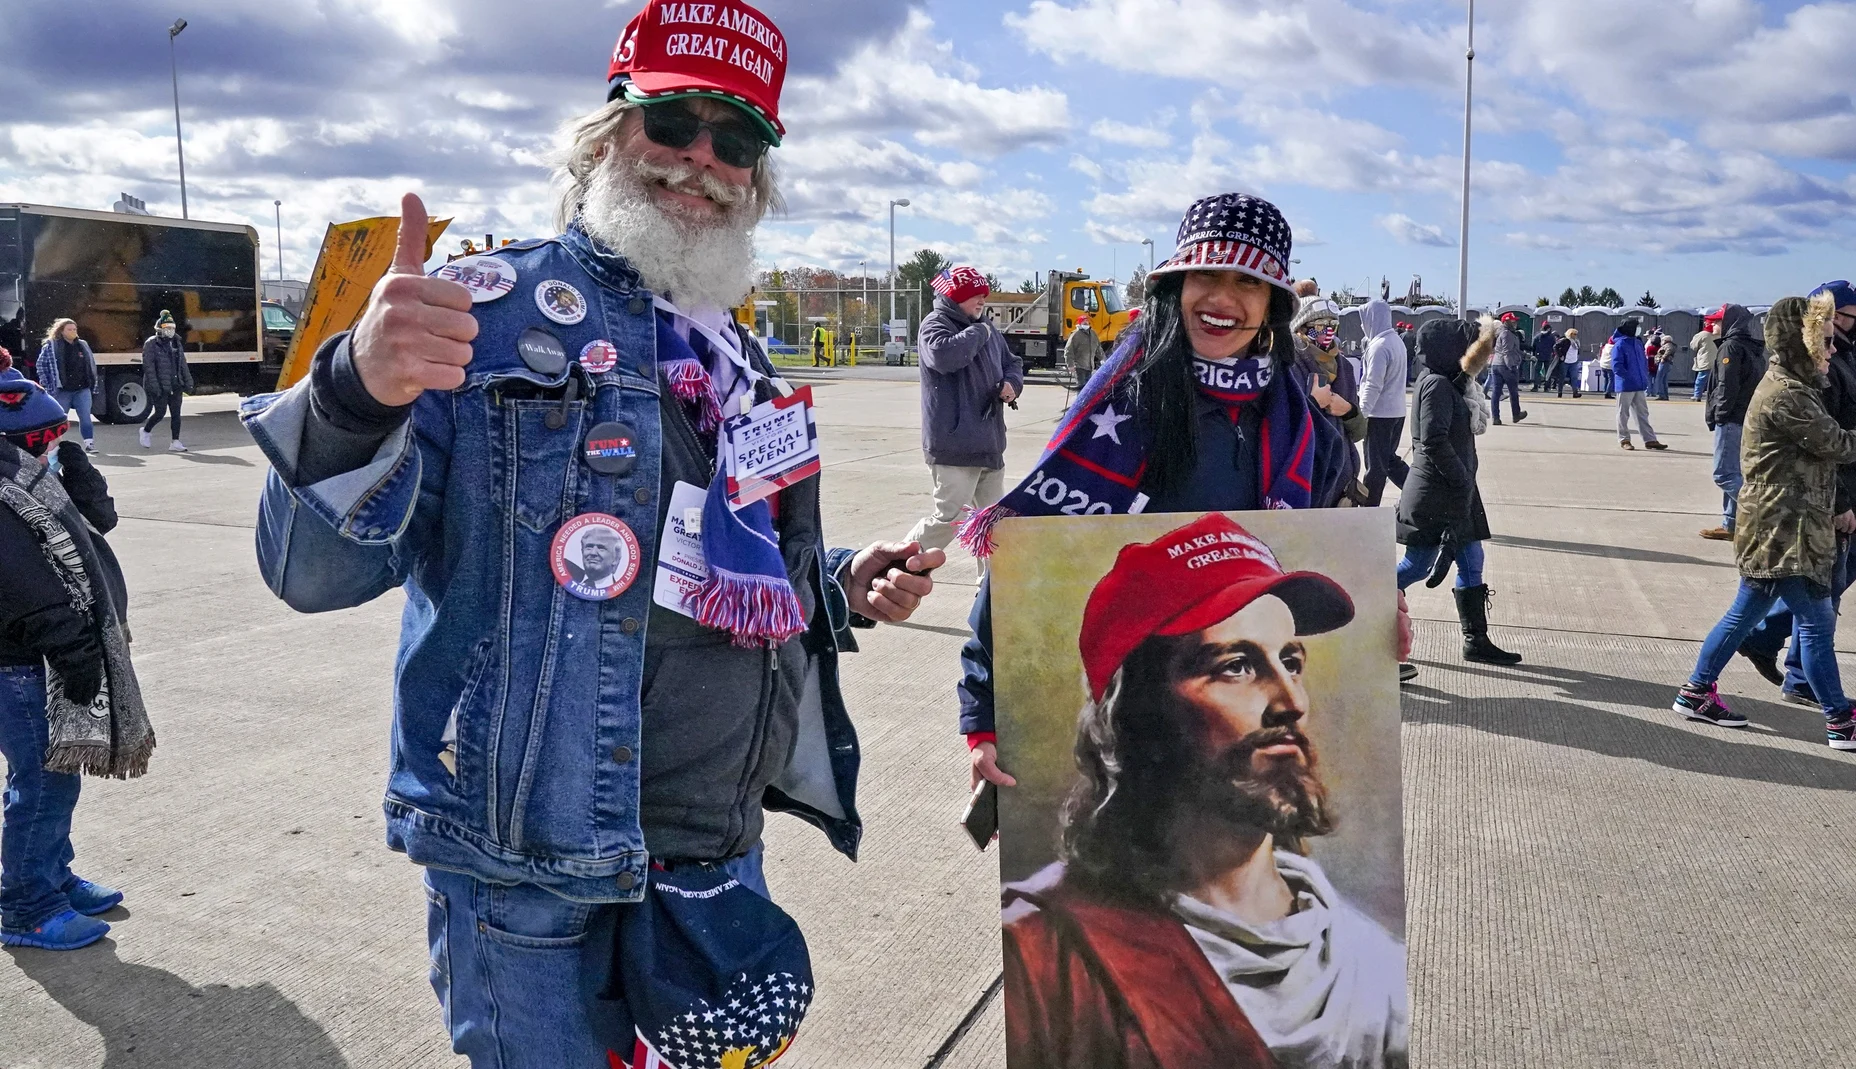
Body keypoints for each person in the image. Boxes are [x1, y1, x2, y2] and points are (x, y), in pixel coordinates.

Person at [238, 4, 946, 1062]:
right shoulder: (480, 315)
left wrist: (842, 581)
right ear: (605, 136)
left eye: (738, 140)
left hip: (711, 857)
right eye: (673, 122)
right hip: (538, 870)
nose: (703, 161)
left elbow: (712, 569)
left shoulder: (739, 362)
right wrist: (357, 388)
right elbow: (308, 571)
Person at [957, 191, 1403, 789]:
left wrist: (1380, 616)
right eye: (1205, 276)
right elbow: (1019, 566)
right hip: (1148, 745)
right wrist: (984, 718)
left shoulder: (1309, 438)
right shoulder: (1117, 413)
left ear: (1273, 304)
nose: (1223, 299)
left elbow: (1329, 549)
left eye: (1248, 284)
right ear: (1176, 287)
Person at [1002, 513, 1407, 1069]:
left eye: (1291, 662)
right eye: (1236, 666)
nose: (1291, 702)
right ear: (1137, 713)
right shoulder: (1045, 952)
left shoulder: (1372, 962)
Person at [1673, 292, 1856, 750]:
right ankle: (1840, 720)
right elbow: (1839, 445)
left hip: (1778, 525)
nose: (1833, 351)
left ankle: (1696, 691)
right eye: (1825, 344)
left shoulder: (1795, 386)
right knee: (1816, 622)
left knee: (1745, 613)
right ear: (1803, 344)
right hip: (1787, 530)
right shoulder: (1789, 393)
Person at [0, 358, 153, 950]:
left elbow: (102, 520)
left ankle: (51, 879)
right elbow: (26, 589)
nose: (51, 446)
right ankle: (26, 908)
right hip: (18, 662)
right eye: (45, 438)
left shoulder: (32, 479)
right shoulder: (6, 493)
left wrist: (76, 467)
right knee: (42, 781)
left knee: (54, 778)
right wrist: (76, 654)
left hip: (40, 658)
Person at [1735, 281, 1856, 702]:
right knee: (1820, 596)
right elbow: (1829, 446)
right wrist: (1841, 504)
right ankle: (1803, 680)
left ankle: (1763, 645)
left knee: (1825, 584)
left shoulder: (1841, 355)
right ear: (1835, 316)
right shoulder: (1814, 369)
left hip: (1846, 490)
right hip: (1824, 498)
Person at [1396, 318, 1520, 666]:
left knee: (1472, 560)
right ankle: (1366, 604)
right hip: (1437, 492)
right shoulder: (1435, 384)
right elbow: (1432, 441)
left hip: (1454, 489)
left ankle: (1475, 640)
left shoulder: (1447, 382)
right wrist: (1462, 479)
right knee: (1417, 566)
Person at [904, 266, 1024, 553]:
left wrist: (1011, 384)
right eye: (974, 296)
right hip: (954, 445)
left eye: (983, 295)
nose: (982, 301)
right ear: (955, 297)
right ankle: (895, 561)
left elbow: (1013, 362)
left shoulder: (986, 328)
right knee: (951, 518)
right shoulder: (936, 325)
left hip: (989, 443)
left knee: (995, 524)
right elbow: (944, 357)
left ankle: (992, 590)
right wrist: (979, 331)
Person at [1698, 305, 1762, 541]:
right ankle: (1731, 524)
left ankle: (1763, 514)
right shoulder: (1749, 347)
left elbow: (1727, 385)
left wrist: (1720, 414)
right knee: (1736, 472)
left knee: (1724, 474)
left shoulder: (1731, 347)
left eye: (1716, 321)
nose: (1712, 325)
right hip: (1746, 418)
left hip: (1733, 418)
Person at [1294, 297, 1366, 504]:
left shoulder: (1344, 367)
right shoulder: (1289, 364)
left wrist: (1349, 411)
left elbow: (1359, 432)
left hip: (1340, 485)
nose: (1327, 332)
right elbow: (1281, 427)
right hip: (1306, 482)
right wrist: (1313, 403)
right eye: (1319, 326)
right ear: (1301, 327)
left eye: (1332, 325)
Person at [1356, 299, 1409, 507]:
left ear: (1372, 319)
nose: (1363, 325)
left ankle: (1369, 508)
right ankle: (1418, 491)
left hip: (1380, 415)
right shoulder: (1396, 341)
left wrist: (1361, 414)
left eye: (1364, 319)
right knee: (1388, 460)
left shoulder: (1378, 347)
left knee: (1375, 466)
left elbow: (1373, 385)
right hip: (1397, 412)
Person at [34, 319, 98, 453]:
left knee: (85, 416)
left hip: (82, 388)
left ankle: (89, 443)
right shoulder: (52, 346)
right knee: (59, 419)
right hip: (62, 390)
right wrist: (47, 383)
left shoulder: (82, 345)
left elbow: (91, 364)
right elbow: (41, 365)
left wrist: (93, 382)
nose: (73, 332)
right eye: (69, 329)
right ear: (61, 331)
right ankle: (55, 447)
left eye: (75, 329)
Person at [140, 310, 193, 452]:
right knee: (160, 413)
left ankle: (175, 441)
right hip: (160, 384)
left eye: (172, 328)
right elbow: (149, 367)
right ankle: (145, 431)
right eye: (167, 328)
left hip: (175, 384)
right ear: (159, 329)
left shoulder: (176, 342)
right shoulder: (151, 343)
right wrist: (155, 386)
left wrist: (188, 382)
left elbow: (182, 363)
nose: (170, 331)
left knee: (176, 414)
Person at [1612, 319, 1666, 450]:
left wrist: (1643, 375)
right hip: (1626, 385)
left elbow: (1642, 362)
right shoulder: (1620, 344)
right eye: (1636, 327)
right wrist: (1628, 377)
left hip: (1639, 384)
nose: (1639, 329)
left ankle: (1650, 439)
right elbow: (1616, 366)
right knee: (1623, 413)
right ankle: (1624, 439)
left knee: (1643, 413)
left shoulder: (1637, 343)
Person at [1487, 312, 1526, 425]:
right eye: (1513, 321)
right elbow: (1507, 351)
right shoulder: (1507, 334)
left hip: (1496, 365)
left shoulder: (1501, 333)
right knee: (1513, 392)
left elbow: (1513, 349)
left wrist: (1526, 356)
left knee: (1496, 391)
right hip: (1505, 366)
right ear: (1506, 322)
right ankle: (1516, 414)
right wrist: (1511, 366)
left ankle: (1496, 417)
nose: (1515, 323)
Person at [1063, 314, 1103, 389]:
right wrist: (1070, 364)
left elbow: (1098, 348)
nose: (1086, 323)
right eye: (1084, 322)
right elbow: (1068, 350)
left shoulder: (1093, 334)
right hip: (1079, 367)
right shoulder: (1075, 335)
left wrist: (1103, 359)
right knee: (1081, 388)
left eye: (1087, 322)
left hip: (1090, 367)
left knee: (1087, 389)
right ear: (1080, 323)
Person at [1690, 315, 1719, 401]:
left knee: (1701, 379)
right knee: (1715, 381)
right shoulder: (1719, 334)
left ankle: (1697, 395)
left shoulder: (1702, 334)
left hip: (1705, 360)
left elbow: (1693, 346)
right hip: (1717, 361)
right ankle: (1713, 396)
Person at [1550, 327, 1583, 398]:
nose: (1575, 335)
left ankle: (1575, 392)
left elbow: (1577, 350)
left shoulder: (1576, 342)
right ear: (1570, 334)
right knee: (1562, 377)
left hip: (1574, 362)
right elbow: (1555, 347)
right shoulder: (1565, 340)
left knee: (1574, 377)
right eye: (1574, 334)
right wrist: (1560, 355)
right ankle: (1560, 392)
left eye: (1576, 334)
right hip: (1565, 361)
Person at [1649, 331, 1676, 401]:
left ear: (1666, 340)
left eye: (1663, 340)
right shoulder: (1670, 345)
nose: (1662, 341)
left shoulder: (1668, 345)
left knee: (1659, 379)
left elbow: (1668, 351)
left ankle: (1662, 395)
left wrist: (1663, 358)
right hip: (1666, 363)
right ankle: (1665, 395)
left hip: (1664, 363)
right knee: (1663, 380)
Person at [1530, 322, 1556, 392]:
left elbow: (1533, 346)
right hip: (1548, 355)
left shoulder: (1537, 336)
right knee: (1548, 372)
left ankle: (1536, 386)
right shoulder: (1551, 337)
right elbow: (1554, 346)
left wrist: (1533, 354)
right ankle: (1547, 387)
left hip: (1538, 355)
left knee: (1537, 371)